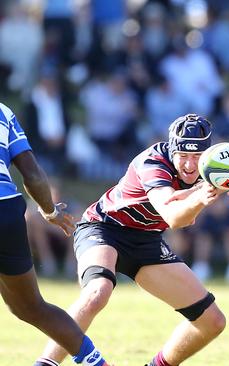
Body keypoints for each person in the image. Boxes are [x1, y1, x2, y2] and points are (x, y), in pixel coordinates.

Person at [34, 114, 225, 366]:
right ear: (171, 148)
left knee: (212, 321)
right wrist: (202, 196)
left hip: (146, 239)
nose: (190, 165)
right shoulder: (153, 163)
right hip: (104, 228)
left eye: (197, 156)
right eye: (183, 156)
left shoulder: (209, 167)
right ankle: (46, 363)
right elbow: (174, 216)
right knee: (97, 292)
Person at [0, 102, 111, 366]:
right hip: (6, 210)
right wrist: (50, 211)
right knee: (31, 306)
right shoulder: (3, 112)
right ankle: (97, 363)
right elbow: (33, 175)